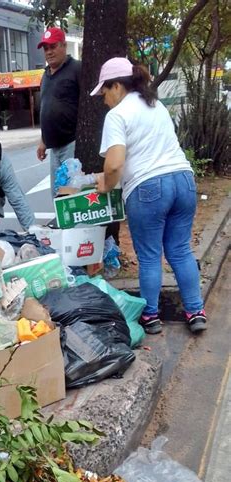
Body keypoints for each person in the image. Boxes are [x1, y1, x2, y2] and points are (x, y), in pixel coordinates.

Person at [91, 57, 207, 334]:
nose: (104, 98)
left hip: (148, 188)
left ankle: (151, 316)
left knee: (150, 256)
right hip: (183, 181)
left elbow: (115, 163)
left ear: (116, 86)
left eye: (104, 91)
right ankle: (195, 311)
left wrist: (105, 184)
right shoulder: (156, 106)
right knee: (180, 250)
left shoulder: (117, 115)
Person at [36, 27, 81, 194]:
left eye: (53, 46)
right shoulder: (45, 75)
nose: (49, 52)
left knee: (69, 194)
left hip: (71, 142)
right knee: (57, 194)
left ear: (64, 45)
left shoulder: (76, 68)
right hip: (53, 147)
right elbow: (46, 107)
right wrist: (43, 140)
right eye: (46, 48)